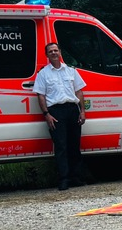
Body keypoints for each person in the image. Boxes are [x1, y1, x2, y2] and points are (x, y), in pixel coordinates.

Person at [33, 42, 87, 190]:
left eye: (56, 50)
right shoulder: (43, 74)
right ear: (47, 55)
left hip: (72, 109)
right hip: (56, 112)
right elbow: (41, 95)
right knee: (61, 146)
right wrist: (47, 115)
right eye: (50, 51)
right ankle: (64, 179)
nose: (54, 53)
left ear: (60, 52)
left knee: (74, 145)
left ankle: (76, 177)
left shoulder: (71, 71)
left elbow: (79, 92)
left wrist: (82, 111)